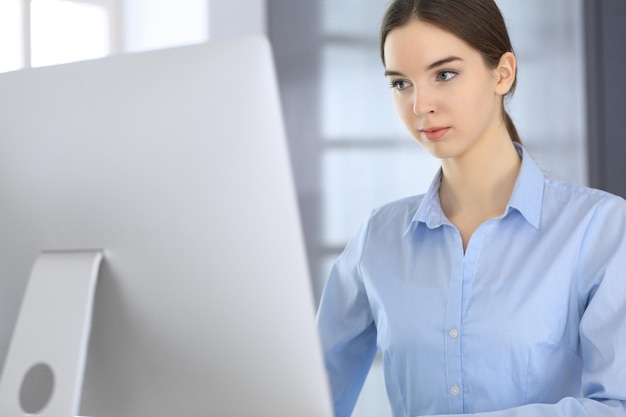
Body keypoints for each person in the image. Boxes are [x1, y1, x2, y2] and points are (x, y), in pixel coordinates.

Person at [315, 0, 626, 416]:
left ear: (503, 73)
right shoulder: (378, 239)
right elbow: (310, 398)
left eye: (444, 74)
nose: (420, 105)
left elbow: (616, 405)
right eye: (400, 83)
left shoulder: (599, 229)